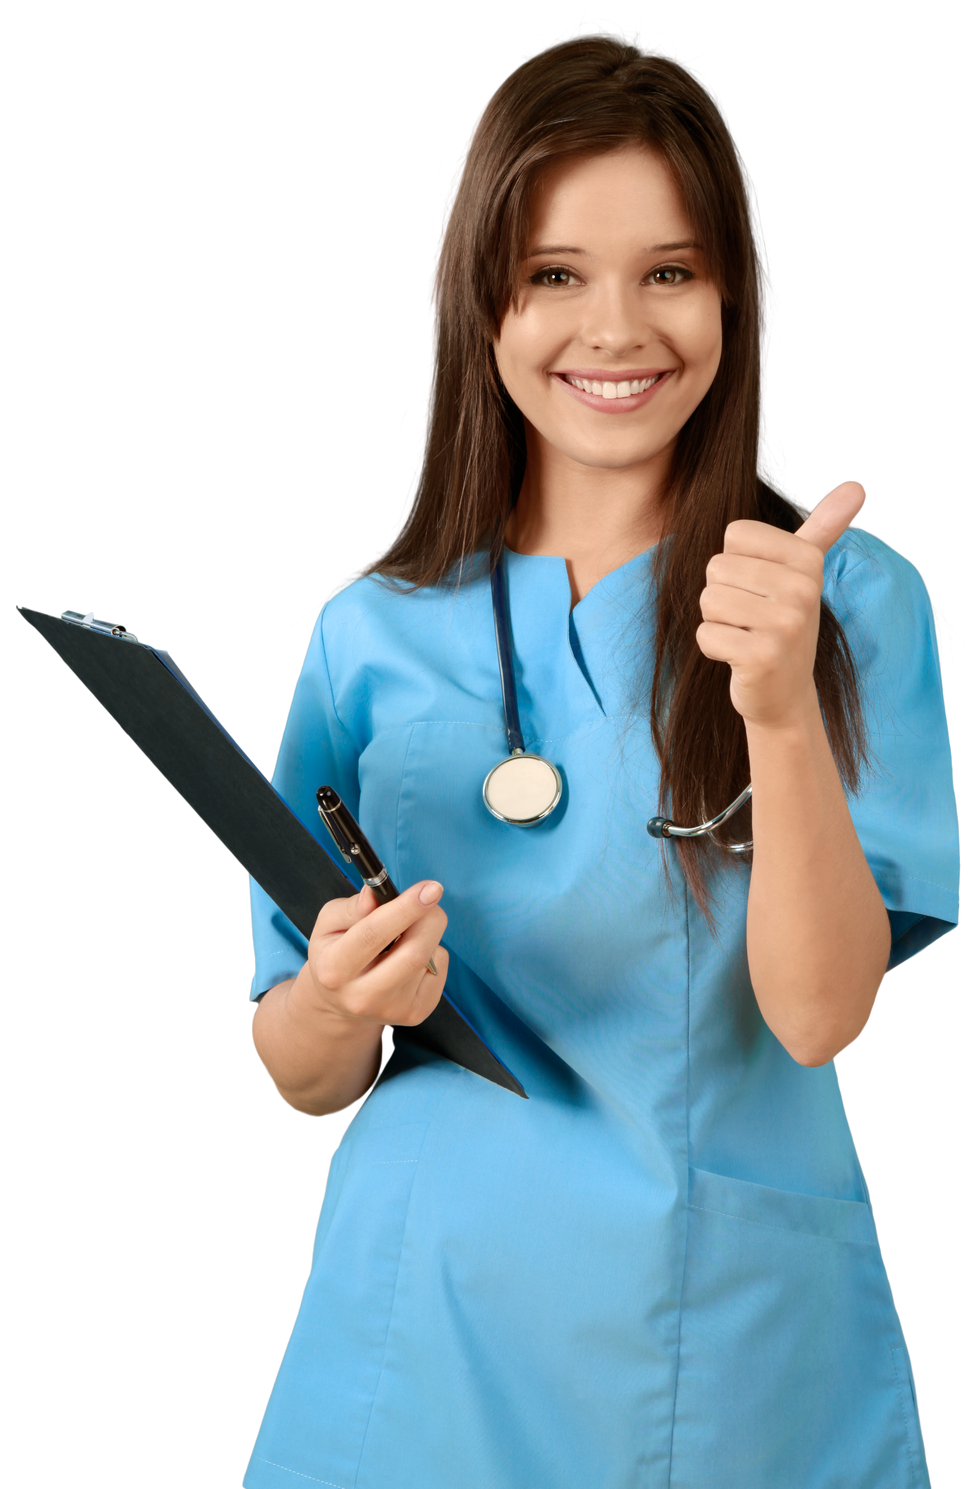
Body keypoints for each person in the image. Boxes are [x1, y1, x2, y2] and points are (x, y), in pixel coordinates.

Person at [243, 35, 959, 1489]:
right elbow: (295, 1058)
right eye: (556, 273)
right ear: (481, 303)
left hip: (711, 1343)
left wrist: (772, 705)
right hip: (412, 1337)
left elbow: (827, 1018)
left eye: (671, 272)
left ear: (734, 297)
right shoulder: (371, 632)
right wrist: (339, 994)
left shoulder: (846, 601)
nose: (616, 328)